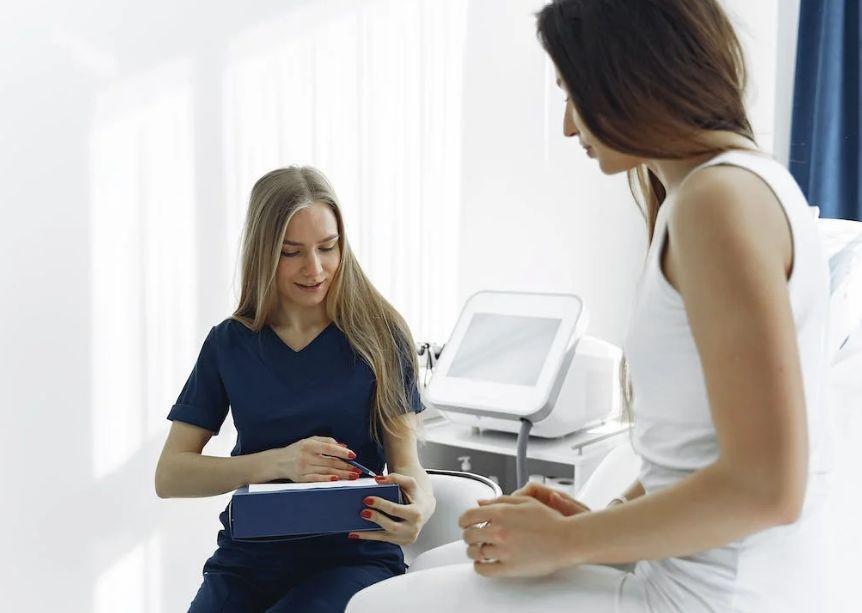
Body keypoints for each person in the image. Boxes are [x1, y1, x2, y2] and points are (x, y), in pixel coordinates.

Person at [346, 1, 832, 611]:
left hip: (706, 598)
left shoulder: (718, 203)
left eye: (571, 94)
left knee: (374, 605)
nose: (568, 126)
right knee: (439, 562)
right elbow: (696, 450)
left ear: (626, 73)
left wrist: (567, 542)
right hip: (689, 574)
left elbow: (767, 488)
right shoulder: (730, 188)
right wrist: (598, 521)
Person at [155, 166, 436, 612]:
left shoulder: (382, 335)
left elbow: (409, 467)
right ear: (264, 253)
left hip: (352, 558)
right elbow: (169, 475)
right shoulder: (230, 343)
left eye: (328, 247)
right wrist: (279, 462)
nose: (315, 268)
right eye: (291, 252)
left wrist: (422, 505)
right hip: (248, 561)